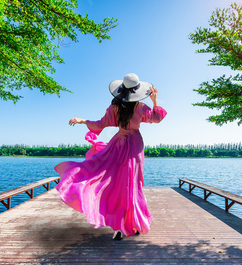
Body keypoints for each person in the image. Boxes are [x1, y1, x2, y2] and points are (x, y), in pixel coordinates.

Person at [54, 73, 167, 240]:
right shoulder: (141, 107)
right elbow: (157, 118)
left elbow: (100, 124)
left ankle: (120, 227)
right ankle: (130, 224)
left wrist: (83, 120)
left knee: (115, 184)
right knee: (132, 185)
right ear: (137, 91)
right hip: (134, 146)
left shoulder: (114, 108)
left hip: (118, 145)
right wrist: (155, 100)